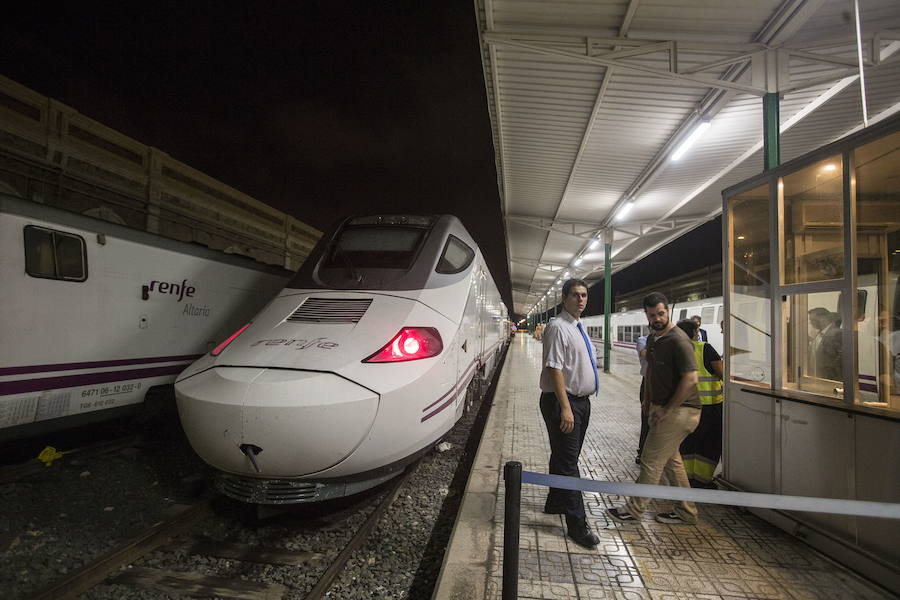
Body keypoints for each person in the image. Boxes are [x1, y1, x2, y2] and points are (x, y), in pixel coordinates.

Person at [607, 292, 701, 525]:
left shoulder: (678, 340)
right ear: (646, 315)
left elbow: (691, 379)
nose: (657, 318)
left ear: (667, 311)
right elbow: (650, 372)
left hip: (681, 411)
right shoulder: (653, 339)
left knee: (650, 460)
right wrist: (647, 400)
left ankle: (634, 509)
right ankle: (686, 511)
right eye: (652, 315)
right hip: (663, 408)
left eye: (660, 313)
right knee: (672, 462)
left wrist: (667, 409)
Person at [539, 278, 600, 548]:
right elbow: (555, 369)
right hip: (564, 402)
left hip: (580, 402)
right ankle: (577, 524)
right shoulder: (557, 327)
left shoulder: (578, 327)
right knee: (568, 463)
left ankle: (555, 502)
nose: (581, 299)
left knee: (565, 456)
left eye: (584, 295)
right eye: (575, 295)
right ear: (564, 299)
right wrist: (565, 407)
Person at [675, 319, 724, 488]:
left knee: (687, 442)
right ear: (695, 333)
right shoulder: (704, 348)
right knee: (708, 444)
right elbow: (721, 372)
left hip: (685, 407)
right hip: (709, 407)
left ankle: (687, 477)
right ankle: (703, 480)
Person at [808, 307, 842, 380]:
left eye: (813, 320)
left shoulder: (837, 334)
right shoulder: (819, 334)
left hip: (830, 379)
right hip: (817, 378)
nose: (811, 323)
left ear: (823, 318)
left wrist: (828, 373)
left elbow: (841, 359)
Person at [634, 334, 650, 464]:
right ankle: (642, 451)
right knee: (646, 420)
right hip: (648, 382)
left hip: (664, 383)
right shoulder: (643, 340)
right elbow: (645, 354)